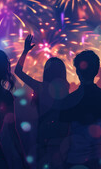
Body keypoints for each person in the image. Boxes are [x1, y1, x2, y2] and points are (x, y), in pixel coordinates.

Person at [15, 35, 69, 168]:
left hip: (43, 136)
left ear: (47, 71)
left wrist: (25, 51)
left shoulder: (41, 87)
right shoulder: (66, 89)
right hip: (62, 135)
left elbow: (17, 71)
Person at [60, 50, 101, 168]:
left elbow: (63, 132)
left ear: (77, 71)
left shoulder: (69, 100)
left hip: (76, 159)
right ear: (97, 71)